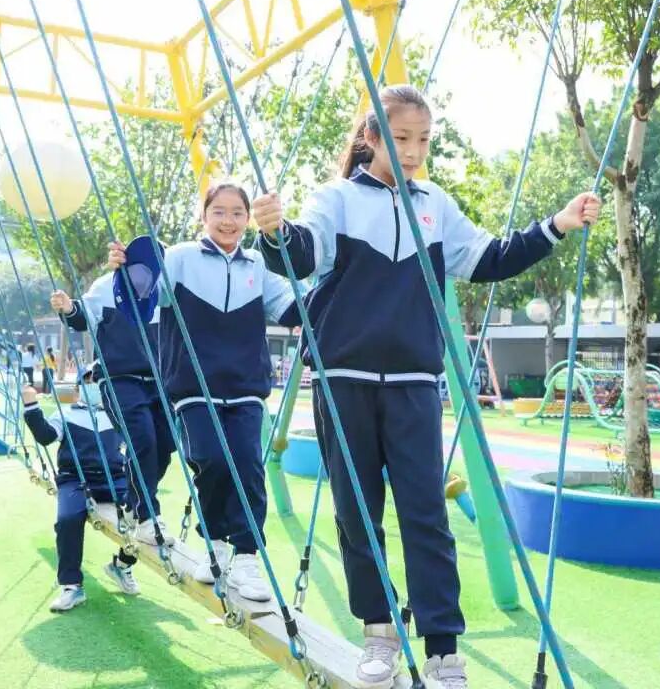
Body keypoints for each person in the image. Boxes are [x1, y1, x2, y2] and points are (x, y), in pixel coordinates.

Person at [253, 84, 601, 688]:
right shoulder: (337, 199)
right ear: (370, 138)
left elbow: (490, 258)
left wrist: (557, 225)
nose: (413, 151)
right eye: (400, 138)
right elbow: (300, 256)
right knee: (357, 514)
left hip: (414, 380)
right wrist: (274, 231)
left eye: (422, 140)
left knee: (427, 515)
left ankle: (443, 651)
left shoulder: (435, 204)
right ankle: (379, 634)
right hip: (343, 379)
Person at [107, 182, 301, 602]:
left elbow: (292, 308)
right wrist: (127, 270)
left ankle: (246, 556)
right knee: (211, 461)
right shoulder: (179, 258)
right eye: (219, 211)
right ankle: (214, 543)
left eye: (237, 213)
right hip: (194, 388)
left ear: (248, 219)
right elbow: (142, 299)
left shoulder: (259, 264)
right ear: (204, 215)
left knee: (248, 466)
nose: (228, 221)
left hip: (246, 388)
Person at [51, 267, 175, 547]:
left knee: (165, 445)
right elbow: (82, 316)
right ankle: (147, 517)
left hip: (159, 380)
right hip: (119, 377)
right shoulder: (107, 285)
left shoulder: (165, 287)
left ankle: (133, 501)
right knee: (142, 440)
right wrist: (68, 307)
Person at [22, 367, 140, 612]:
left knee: (141, 511)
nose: (93, 384)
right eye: (88, 381)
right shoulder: (65, 414)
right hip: (75, 478)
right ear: (78, 390)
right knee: (68, 520)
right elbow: (46, 436)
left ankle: (122, 564)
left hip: (114, 478)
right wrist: (31, 407)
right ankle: (71, 586)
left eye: (97, 380)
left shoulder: (118, 415)